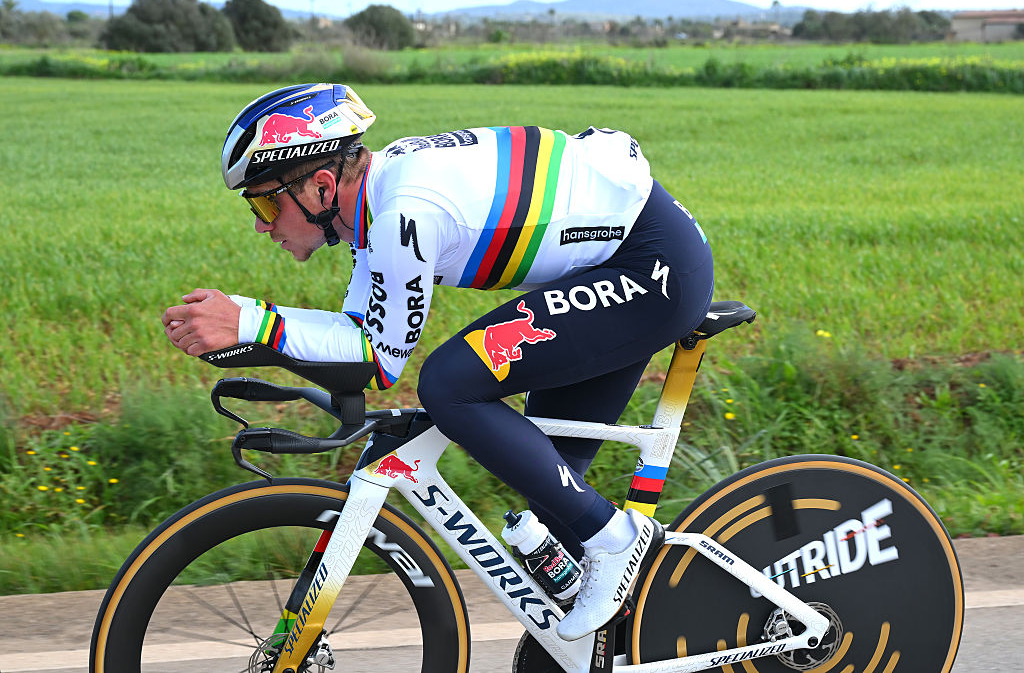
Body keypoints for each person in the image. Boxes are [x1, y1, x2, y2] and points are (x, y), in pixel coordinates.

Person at [162, 83, 714, 641]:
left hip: (650, 268)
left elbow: (376, 360)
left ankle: (618, 542)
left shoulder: (404, 215)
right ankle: (629, 635)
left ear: (322, 186)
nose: (261, 224)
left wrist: (251, 323)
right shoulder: (374, 200)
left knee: (450, 384)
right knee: (556, 511)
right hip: (615, 263)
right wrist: (255, 333)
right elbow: (359, 332)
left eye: (264, 202)